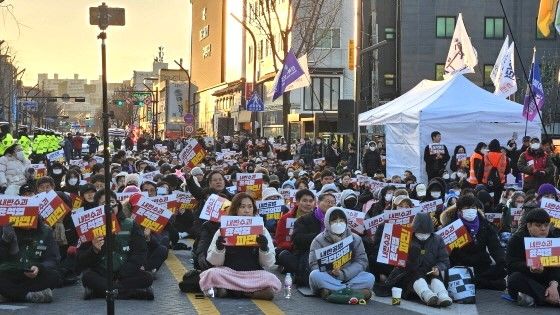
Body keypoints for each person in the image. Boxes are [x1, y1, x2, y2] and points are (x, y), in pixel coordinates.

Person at [198, 193, 281, 300]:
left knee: (271, 278)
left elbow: (268, 263)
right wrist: (219, 248)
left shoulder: (262, 230)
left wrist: (264, 248)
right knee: (211, 274)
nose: (246, 210)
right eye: (242, 207)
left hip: (253, 274)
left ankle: (229, 291)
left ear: (254, 210)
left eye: (250, 207)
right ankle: (247, 293)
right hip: (228, 273)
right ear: (235, 209)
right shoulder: (223, 229)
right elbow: (214, 262)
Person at [77, 189, 154, 300]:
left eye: (112, 202)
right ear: (97, 208)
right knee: (87, 277)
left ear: (118, 204)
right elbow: (81, 260)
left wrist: (124, 272)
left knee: (147, 278)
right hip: (102, 273)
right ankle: (131, 293)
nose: (110, 206)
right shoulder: (89, 227)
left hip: (125, 273)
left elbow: (140, 252)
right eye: (104, 204)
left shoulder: (130, 224)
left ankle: (104, 292)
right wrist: (94, 250)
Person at [382, 213, 452, 307]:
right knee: (417, 277)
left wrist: (438, 268)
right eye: (420, 232)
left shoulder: (437, 240)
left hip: (430, 272)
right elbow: (399, 262)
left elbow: (444, 260)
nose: (423, 235)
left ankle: (443, 296)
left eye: (426, 233)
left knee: (436, 280)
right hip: (410, 274)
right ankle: (427, 295)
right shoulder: (406, 238)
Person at [440, 195, 506, 290]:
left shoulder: (484, 225)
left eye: (473, 207)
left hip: (481, 265)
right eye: (467, 208)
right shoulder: (452, 227)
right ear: (459, 211)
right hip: (461, 265)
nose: (471, 210)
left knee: (501, 282)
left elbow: (495, 246)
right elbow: (448, 253)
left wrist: (501, 261)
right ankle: (476, 281)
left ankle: (475, 281)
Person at [308, 207, 374, 300]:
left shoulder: (355, 238)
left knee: (369, 277)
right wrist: (331, 272)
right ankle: (352, 292)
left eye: (341, 220)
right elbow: (314, 264)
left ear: (346, 221)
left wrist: (343, 274)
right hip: (328, 277)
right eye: (334, 221)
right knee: (315, 275)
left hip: (350, 277)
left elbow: (362, 261)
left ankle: (333, 291)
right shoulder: (318, 240)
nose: (338, 223)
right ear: (327, 222)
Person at [506, 208, 560, 307]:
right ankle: (551, 299)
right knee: (514, 279)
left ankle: (543, 298)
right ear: (529, 226)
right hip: (528, 279)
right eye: (538, 226)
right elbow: (511, 264)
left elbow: (556, 267)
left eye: (546, 225)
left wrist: (554, 284)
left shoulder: (552, 239)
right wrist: (530, 267)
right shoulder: (516, 239)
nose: (543, 229)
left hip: (548, 280)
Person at [291, 192, 336, 286]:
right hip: (310, 252)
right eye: (328, 201)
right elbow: (297, 239)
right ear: (318, 203)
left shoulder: (338, 219)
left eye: (333, 202)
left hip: (333, 252)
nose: (330, 204)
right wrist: (320, 236)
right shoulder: (304, 219)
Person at [275, 189, 316, 282]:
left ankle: (300, 273)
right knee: (281, 254)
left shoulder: (318, 218)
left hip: (310, 251)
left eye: (311, 201)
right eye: (304, 201)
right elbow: (279, 241)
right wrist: (294, 245)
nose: (308, 204)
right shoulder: (286, 218)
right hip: (291, 250)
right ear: (297, 202)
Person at [482, 139, 508, 206]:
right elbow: (507, 170)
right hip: (500, 181)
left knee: (488, 199)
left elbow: (481, 169)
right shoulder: (504, 156)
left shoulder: (485, 156)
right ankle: (497, 213)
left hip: (487, 181)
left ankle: (489, 212)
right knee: (497, 199)